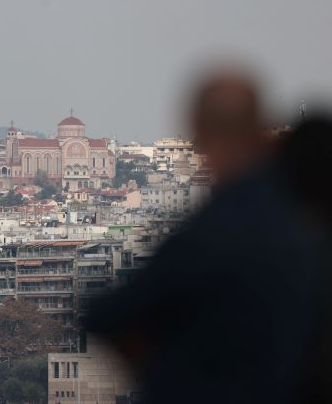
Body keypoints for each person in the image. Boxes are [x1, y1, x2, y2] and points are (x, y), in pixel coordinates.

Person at [86, 71, 325, 403]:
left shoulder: (220, 223)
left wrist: (168, 374)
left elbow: (106, 316)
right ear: (261, 130)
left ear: (198, 131)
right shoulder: (297, 220)